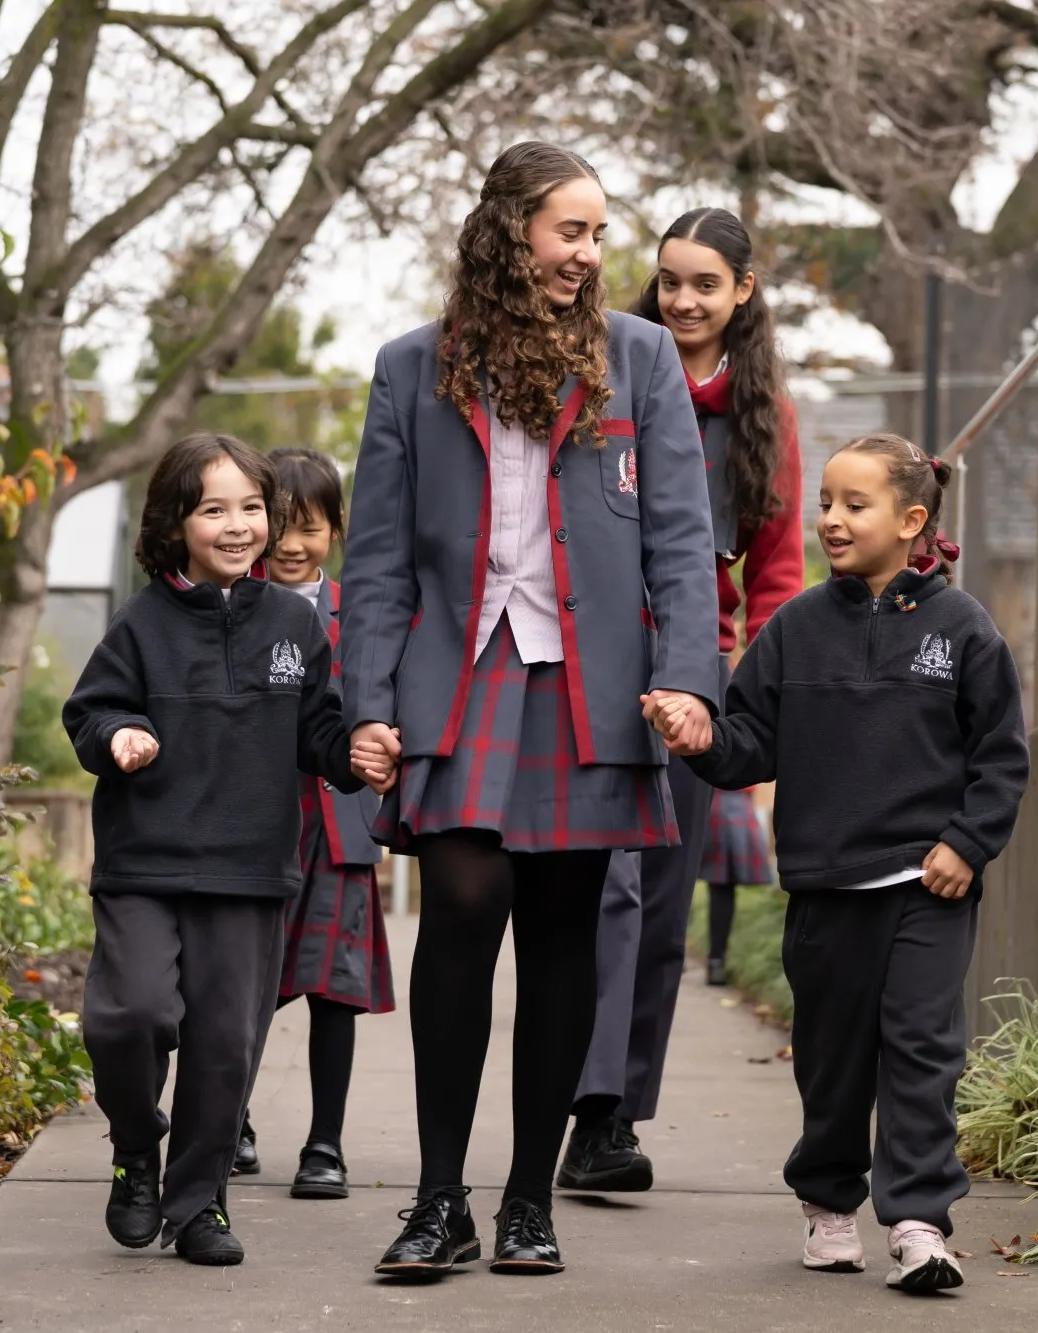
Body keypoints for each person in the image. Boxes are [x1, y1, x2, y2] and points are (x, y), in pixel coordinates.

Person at [338, 142, 718, 1280]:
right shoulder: (413, 367)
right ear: (510, 231)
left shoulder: (639, 360)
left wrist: (689, 678)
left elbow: (682, 541)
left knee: (561, 931)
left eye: (600, 234)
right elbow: (376, 561)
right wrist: (365, 703)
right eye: (571, 232)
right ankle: (437, 1198)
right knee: (460, 902)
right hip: (455, 678)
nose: (590, 255)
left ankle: (524, 1203)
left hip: (590, 681)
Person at [646, 433, 1029, 1294]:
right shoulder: (793, 630)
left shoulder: (962, 628)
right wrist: (703, 736)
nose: (831, 519)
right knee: (831, 1057)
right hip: (825, 887)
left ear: (913, 520)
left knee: (924, 1050)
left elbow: (1001, 755)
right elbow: (750, 743)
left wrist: (967, 844)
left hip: (925, 883)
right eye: (825, 501)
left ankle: (921, 1223)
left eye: (855, 504)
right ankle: (827, 1203)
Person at [63, 433, 386, 1266]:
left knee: (224, 1045)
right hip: (146, 862)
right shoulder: (138, 624)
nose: (240, 526)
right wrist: (122, 734)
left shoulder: (295, 625)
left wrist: (353, 751)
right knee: (128, 1014)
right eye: (215, 509)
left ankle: (199, 1200)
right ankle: (138, 1148)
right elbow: (88, 713)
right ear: (175, 523)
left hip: (249, 869)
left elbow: (319, 730)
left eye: (252, 507)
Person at [561, 205, 805, 1193]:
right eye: (668, 280)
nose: (684, 300)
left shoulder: (764, 418)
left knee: (660, 913)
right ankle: (576, 1097)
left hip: (694, 682)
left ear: (742, 291)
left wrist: (751, 704)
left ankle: (611, 1119)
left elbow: (778, 573)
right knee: (601, 894)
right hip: (585, 667)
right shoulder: (601, 376)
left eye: (706, 283)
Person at [230, 447, 395, 1200]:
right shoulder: (232, 606)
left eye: (314, 526)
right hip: (259, 826)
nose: (294, 544)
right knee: (242, 984)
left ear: (337, 528)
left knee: (336, 988)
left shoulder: (364, 612)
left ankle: (324, 1143)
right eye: (282, 526)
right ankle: (229, 1120)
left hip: (342, 828)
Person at [701, 787, 775, 986]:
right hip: (731, 799)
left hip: (713, 799)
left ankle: (672, 951)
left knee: (717, 887)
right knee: (723, 888)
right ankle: (716, 962)